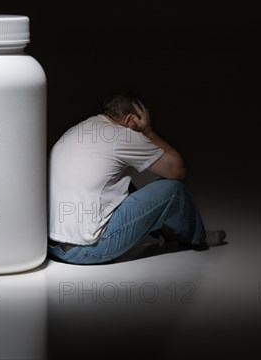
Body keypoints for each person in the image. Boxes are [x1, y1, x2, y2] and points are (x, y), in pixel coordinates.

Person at [48, 92, 225, 264]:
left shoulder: (75, 130)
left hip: (53, 247)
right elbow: (178, 170)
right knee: (172, 190)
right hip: (87, 250)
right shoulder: (121, 134)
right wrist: (148, 131)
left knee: (125, 187)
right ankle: (196, 238)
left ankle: (169, 231)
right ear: (131, 119)